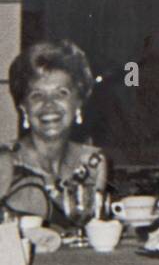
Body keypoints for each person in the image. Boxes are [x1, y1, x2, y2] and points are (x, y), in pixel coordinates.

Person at [0, 38, 108, 225]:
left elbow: (93, 233)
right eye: (37, 95)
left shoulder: (92, 163)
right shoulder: (6, 161)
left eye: (61, 93)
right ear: (24, 108)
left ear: (78, 104)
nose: (49, 104)